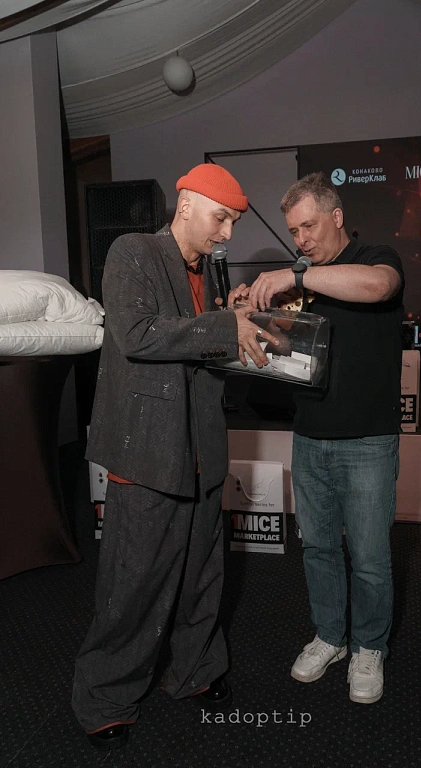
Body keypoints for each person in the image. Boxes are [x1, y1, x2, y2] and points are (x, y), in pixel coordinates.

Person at [72, 163, 278, 750]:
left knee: (202, 576)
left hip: (202, 448)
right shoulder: (132, 251)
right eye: (222, 219)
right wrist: (223, 325)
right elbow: (136, 334)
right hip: (148, 451)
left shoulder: (207, 272)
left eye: (233, 223)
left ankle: (195, 671)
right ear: (186, 205)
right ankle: (105, 697)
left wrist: (235, 319)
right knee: (133, 584)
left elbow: (198, 345)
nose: (227, 234)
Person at [247, 171, 404, 704]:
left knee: (370, 557)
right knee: (317, 548)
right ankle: (331, 637)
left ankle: (369, 646)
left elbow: (379, 286)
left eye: (309, 226)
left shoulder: (375, 257)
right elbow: (279, 349)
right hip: (309, 436)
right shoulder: (300, 285)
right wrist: (250, 312)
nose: (302, 239)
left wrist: (296, 274)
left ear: (336, 217)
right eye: (294, 231)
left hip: (368, 442)